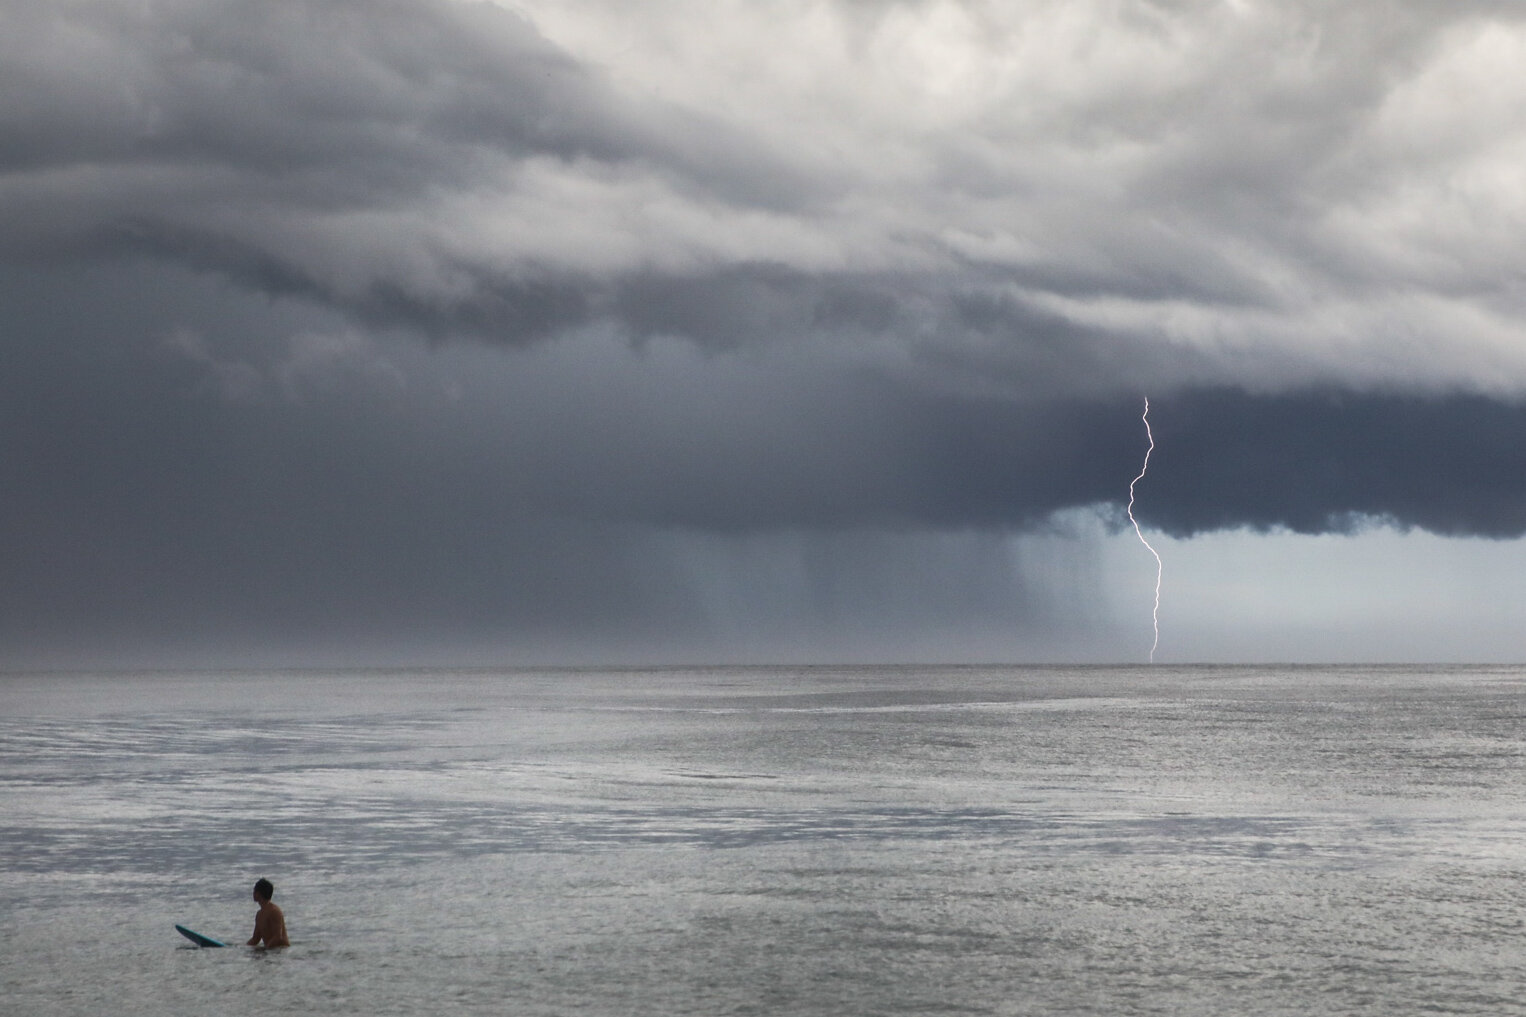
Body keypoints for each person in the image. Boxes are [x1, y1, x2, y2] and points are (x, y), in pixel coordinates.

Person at [247, 878, 290, 948]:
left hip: (281, 952)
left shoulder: (274, 911)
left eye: (254, 891)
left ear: (259, 893)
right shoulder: (259, 914)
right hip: (270, 951)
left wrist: (266, 950)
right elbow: (255, 939)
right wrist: (240, 948)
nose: (253, 893)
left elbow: (278, 937)